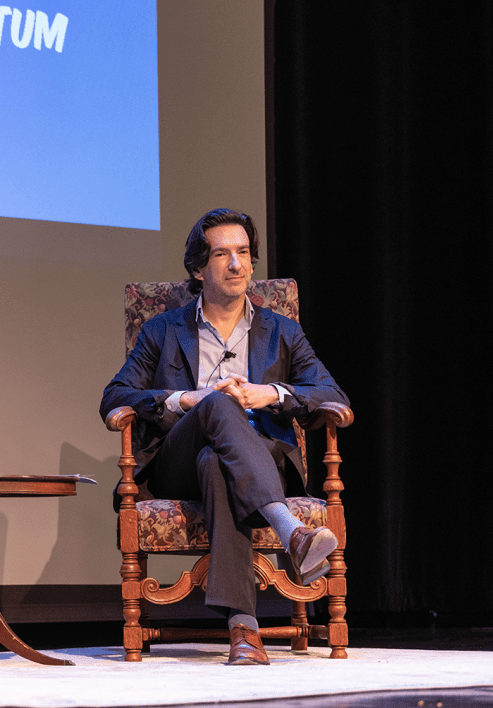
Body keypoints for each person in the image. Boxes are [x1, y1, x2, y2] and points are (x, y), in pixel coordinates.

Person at [99, 207, 349, 666]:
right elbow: (115, 395)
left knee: (217, 464)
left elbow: (332, 395)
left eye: (244, 253)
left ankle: (244, 633)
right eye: (222, 254)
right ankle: (289, 530)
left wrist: (269, 393)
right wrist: (186, 401)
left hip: (256, 461)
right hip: (178, 460)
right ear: (198, 268)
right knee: (215, 404)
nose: (236, 264)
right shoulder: (164, 329)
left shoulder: (282, 332)